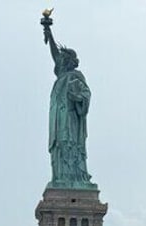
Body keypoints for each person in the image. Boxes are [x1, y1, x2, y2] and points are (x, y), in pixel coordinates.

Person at [42, 19, 94, 188]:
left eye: (63, 59)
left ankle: (77, 177)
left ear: (69, 61)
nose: (60, 61)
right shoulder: (62, 77)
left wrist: (78, 97)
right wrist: (49, 33)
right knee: (59, 146)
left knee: (70, 145)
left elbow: (86, 94)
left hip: (71, 120)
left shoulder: (75, 77)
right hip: (58, 119)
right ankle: (60, 178)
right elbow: (55, 54)